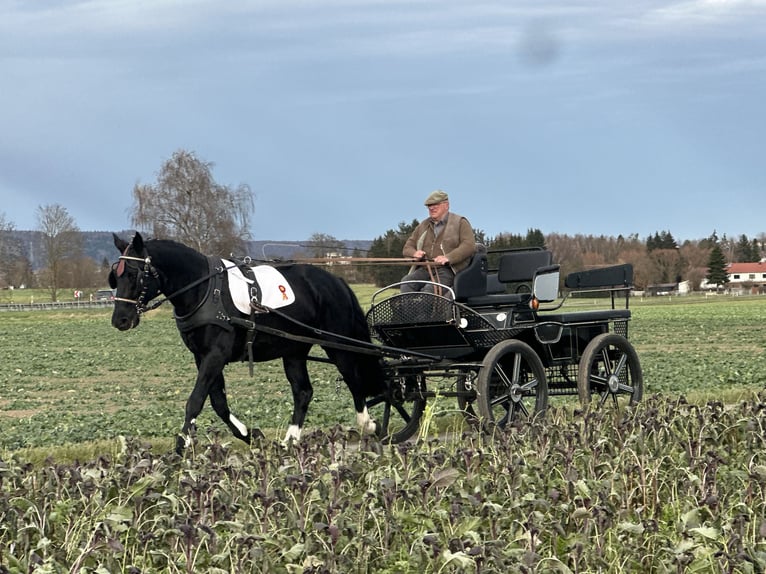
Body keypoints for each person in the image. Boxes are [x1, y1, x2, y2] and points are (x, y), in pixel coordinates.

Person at [400, 189, 476, 293]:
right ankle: (407, 309)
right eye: (429, 206)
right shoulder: (423, 225)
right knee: (406, 283)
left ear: (446, 205)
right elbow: (407, 248)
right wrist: (414, 253)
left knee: (430, 290)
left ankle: (423, 308)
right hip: (425, 269)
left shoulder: (460, 222)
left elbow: (469, 245)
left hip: (449, 270)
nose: (431, 208)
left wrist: (448, 257)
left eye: (435, 205)